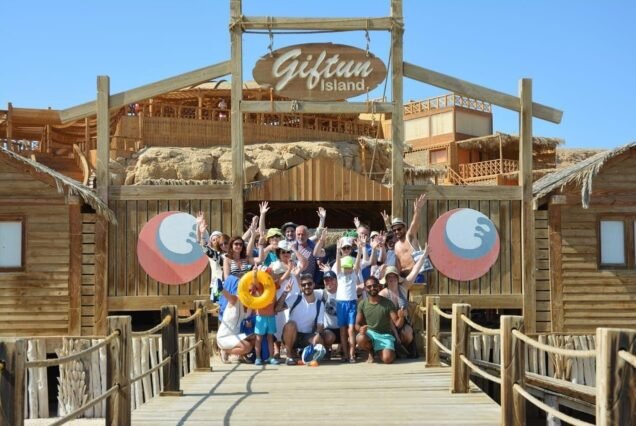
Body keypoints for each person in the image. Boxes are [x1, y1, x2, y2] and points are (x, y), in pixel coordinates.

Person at [355, 276, 404, 364]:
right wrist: (360, 329)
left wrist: (401, 317)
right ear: (365, 289)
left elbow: (397, 324)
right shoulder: (362, 304)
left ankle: (386, 351)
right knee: (360, 338)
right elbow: (357, 324)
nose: (372, 288)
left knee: (387, 359)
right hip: (370, 334)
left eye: (374, 286)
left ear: (379, 286)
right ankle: (371, 352)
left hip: (385, 335)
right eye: (369, 287)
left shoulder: (388, 303)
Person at [281, 274, 326, 365]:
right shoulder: (295, 298)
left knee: (319, 340)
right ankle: (289, 356)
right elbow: (277, 309)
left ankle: (305, 355)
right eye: (303, 285)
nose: (307, 287)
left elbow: (320, 324)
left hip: (307, 336)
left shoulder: (320, 304)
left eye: (309, 284)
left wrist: (318, 334)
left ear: (313, 285)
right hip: (292, 334)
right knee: (290, 324)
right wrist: (285, 292)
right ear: (300, 287)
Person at [335, 236, 362, 363]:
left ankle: (352, 354)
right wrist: (337, 249)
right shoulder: (339, 274)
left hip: (351, 302)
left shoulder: (354, 273)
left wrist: (360, 249)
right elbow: (338, 262)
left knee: (351, 329)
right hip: (340, 303)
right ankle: (345, 354)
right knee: (342, 330)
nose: (347, 268)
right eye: (345, 266)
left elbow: (357, 263)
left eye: (349, 266)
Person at [216, 279, 254, 363]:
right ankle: (224, 350)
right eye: (249, 290)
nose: (251, 293)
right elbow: (228, 296)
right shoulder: (235, 299)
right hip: (224, 337)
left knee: (256, 337)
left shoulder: (249, 306)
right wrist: (221, 289)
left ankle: (241, 356)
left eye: (252, 291)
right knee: (246, 347)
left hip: (236, 335)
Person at [391, 194, 427, 280]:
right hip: (403, 277)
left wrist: (417, 210)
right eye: (394, 230)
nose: (397, 231)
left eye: (399, 229)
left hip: (415, 275)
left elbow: (414, 224)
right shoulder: (396, 245)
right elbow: (398, 264)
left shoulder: (409, 237)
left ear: (404, 228)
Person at [315, 268, 339, 358]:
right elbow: (305, 290)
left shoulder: (343, 291)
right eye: (326, 280)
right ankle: (327, 348)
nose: (329, 282)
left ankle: (347, 351)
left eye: (331, 279)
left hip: (343, 328)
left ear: (336, 280)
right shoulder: (321, 293)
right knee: (329, 337)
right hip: (329, 329)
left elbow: (359, 288)